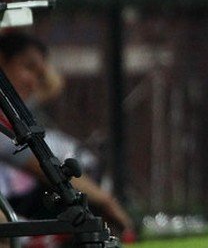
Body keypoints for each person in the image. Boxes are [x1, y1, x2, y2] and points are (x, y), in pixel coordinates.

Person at [0, 32, 133, 236]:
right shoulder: (4, 122)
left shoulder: (16, 108)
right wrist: (107, 202)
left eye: (39, 74)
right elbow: (47, 169)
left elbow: (54, 84)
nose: (34, 82)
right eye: (27, 67)